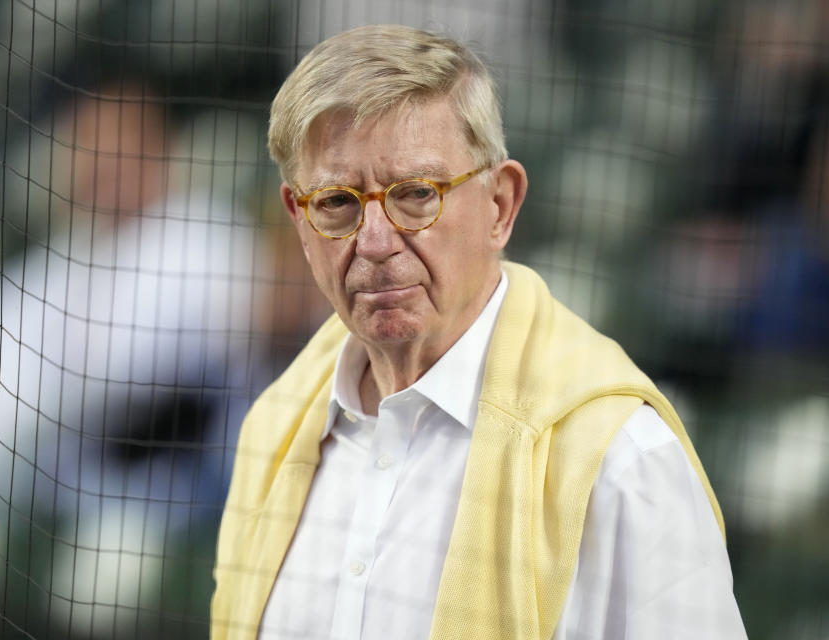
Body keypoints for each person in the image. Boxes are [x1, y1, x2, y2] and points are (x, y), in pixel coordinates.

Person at [211, 24, 747, 640]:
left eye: (416, 194)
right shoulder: (273, 428)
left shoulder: (619, 459)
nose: (376, 242)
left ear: (500, 205)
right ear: (298, 222)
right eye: (337, 203)